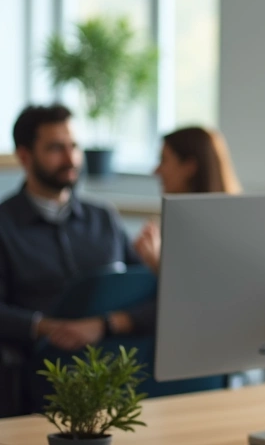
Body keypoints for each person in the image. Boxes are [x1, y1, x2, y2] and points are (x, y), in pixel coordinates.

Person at [0, 106, 154, 357]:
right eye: (55, 148)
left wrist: (103, 325)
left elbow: (146, 287)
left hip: (115, 359)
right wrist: (48, 328)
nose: (71, 159)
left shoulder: (104, 218)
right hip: (42, 365)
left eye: (74, 146)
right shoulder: (4, 225)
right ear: (25, 156)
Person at [131, 126, 242, 273]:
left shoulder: (224, 234)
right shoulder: (172, 225)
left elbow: (205, 288)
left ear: (189, 167)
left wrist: (159, 265)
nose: (156, 170)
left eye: (164, 160)